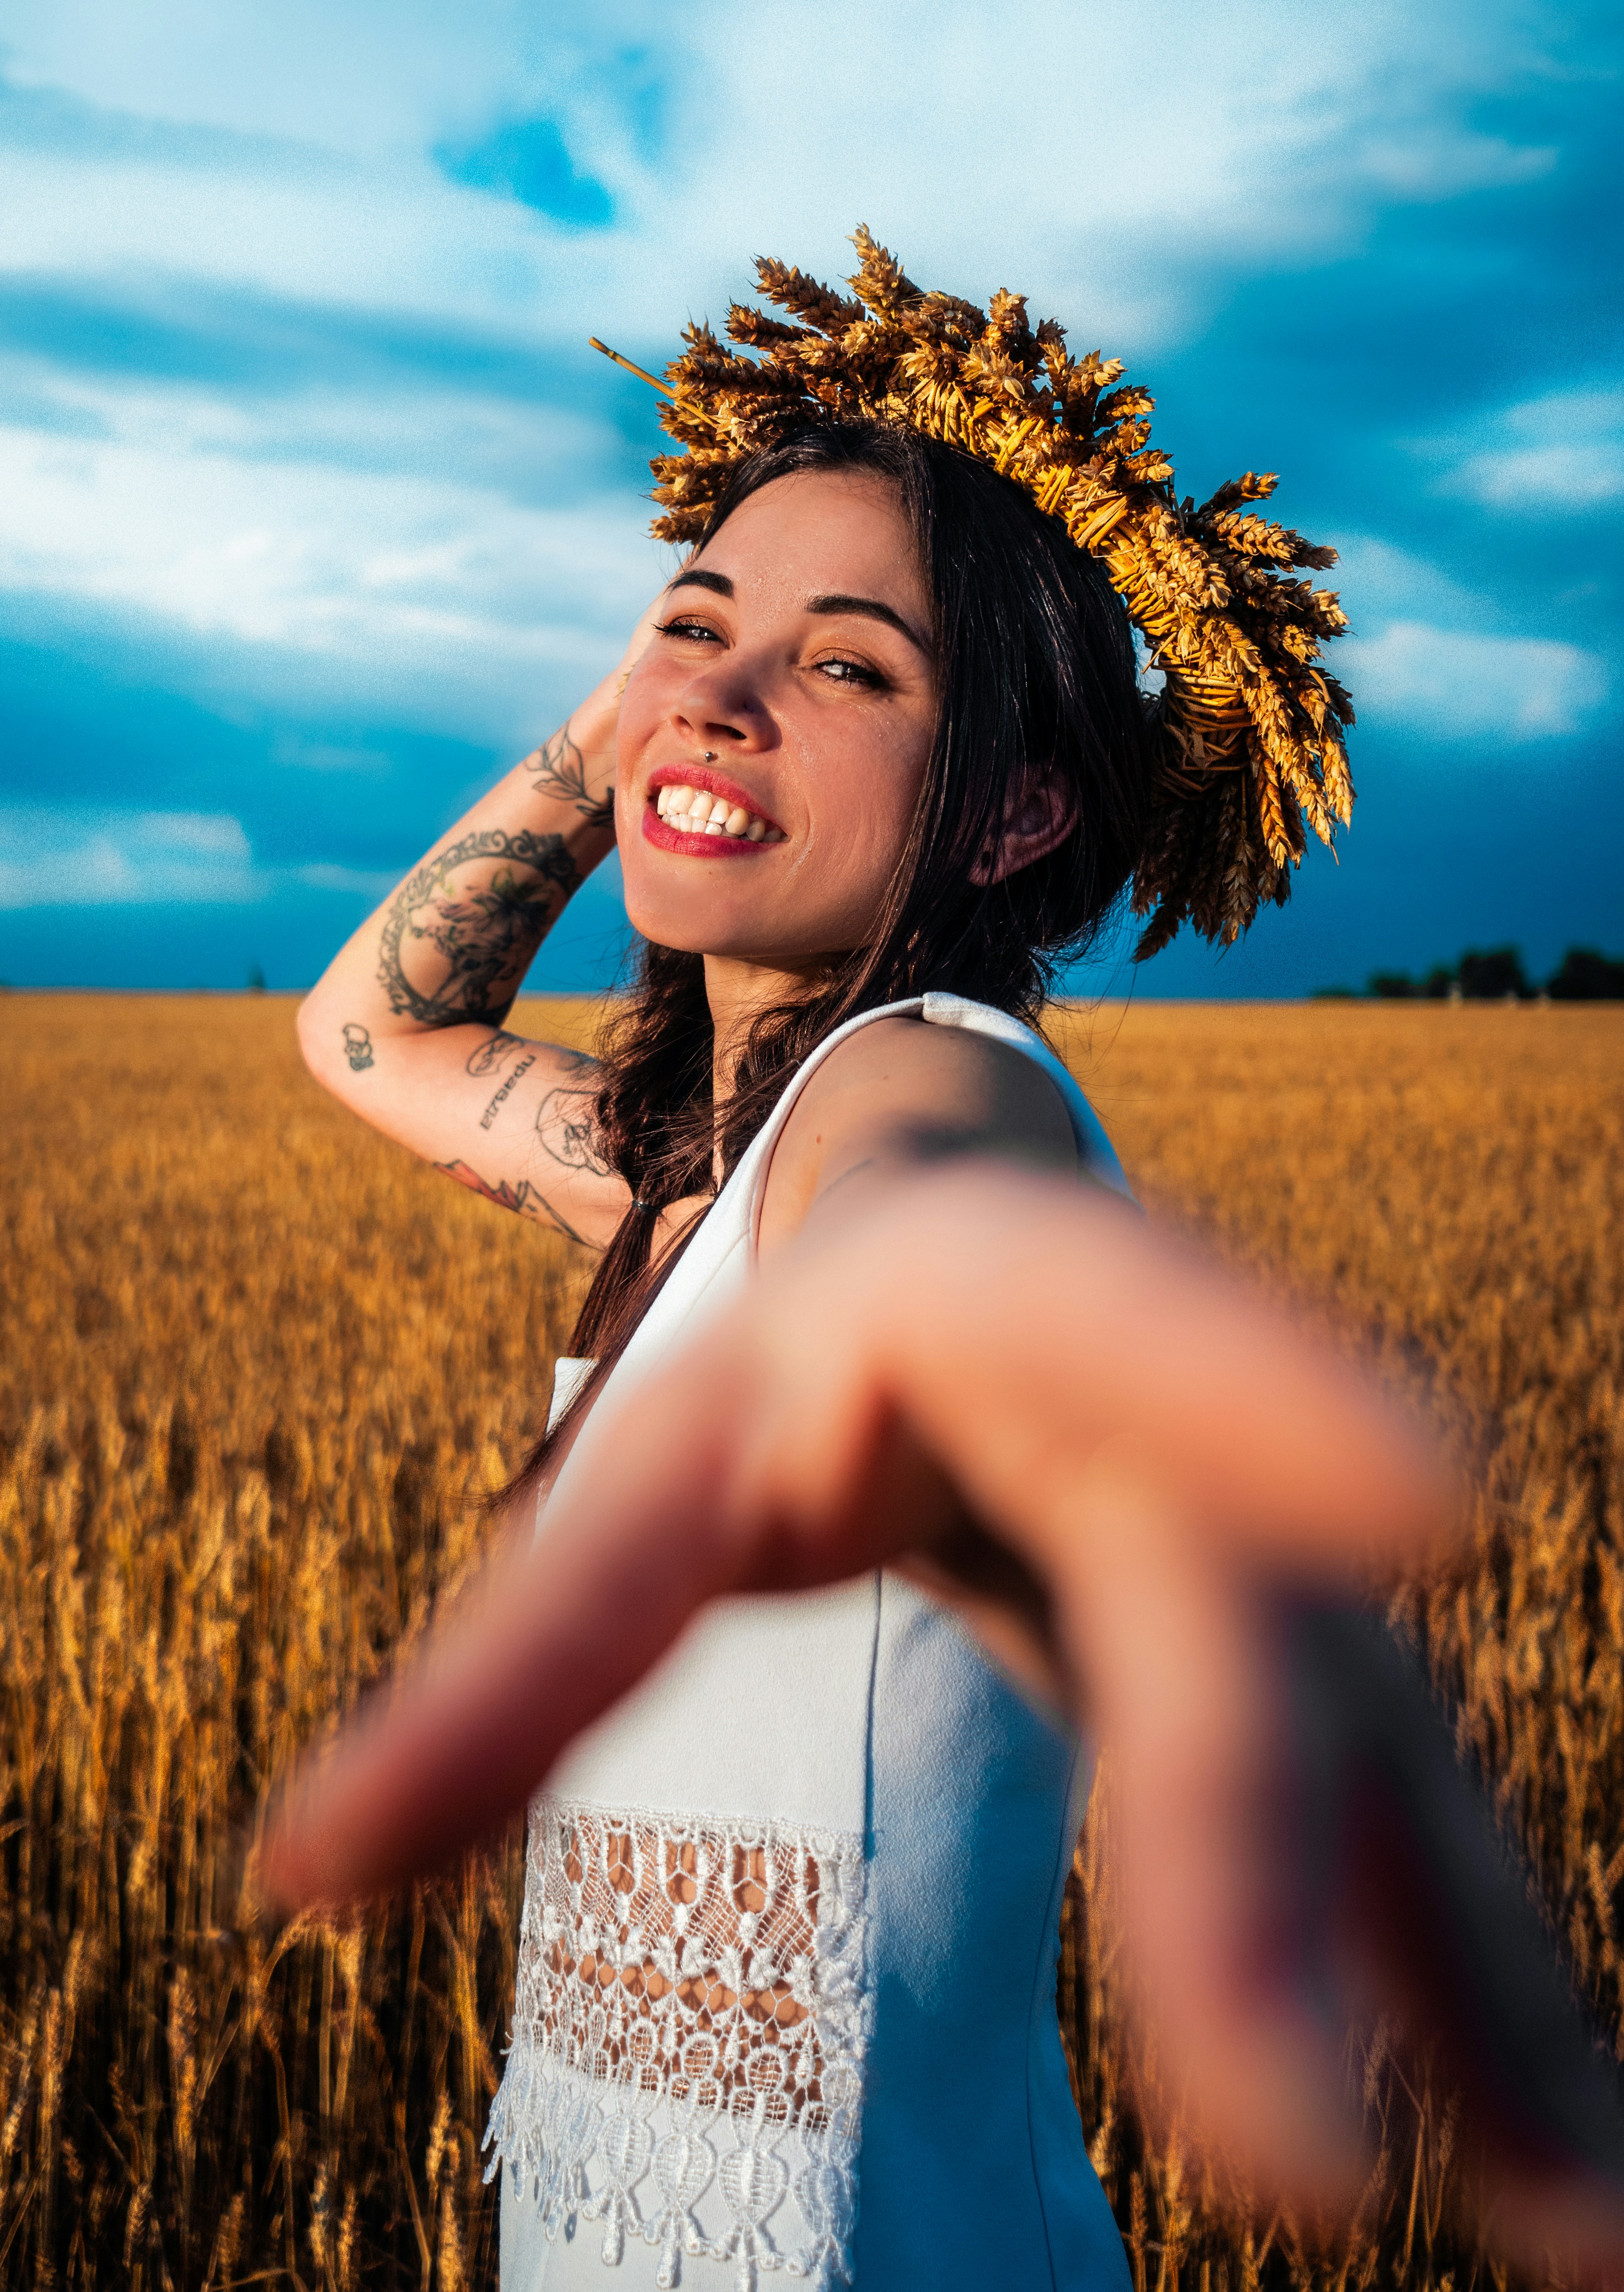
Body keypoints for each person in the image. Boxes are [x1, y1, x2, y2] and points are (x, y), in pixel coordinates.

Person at [270, 238, 1620, 2288]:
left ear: (1007, 814)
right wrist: (658, 712)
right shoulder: (675, 1170)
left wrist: (966, 1311)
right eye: (693, 622)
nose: (720, 687)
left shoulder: (912, 1083)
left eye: (849, 666)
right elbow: (370, 1035)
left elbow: (933, 1220)